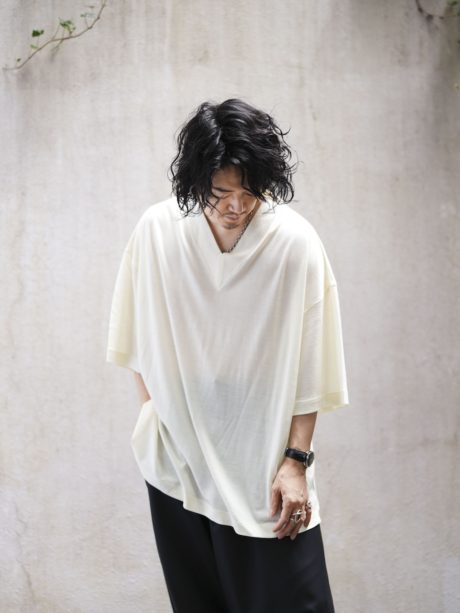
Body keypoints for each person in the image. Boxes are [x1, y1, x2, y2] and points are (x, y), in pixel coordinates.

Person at [106, 98, 350, 612]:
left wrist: (296, 462)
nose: (235, 206)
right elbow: (136, 334)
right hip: (179, 463)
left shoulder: (294, 243)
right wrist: (156, 418)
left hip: (264, 464)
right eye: (219, 193)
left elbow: (313, 363)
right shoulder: (157, 230)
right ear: (196, 183)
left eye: (248, 192)